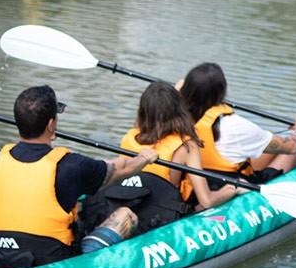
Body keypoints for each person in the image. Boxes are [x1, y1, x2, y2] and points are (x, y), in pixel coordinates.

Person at [0, 84, 157, 268]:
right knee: (125, 215)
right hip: (51, 265)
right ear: (50, 124)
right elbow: (119, 169)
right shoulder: (71, 166)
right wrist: (144, 158)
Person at [92, 82, 239, 232]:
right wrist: (231, 189)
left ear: (143, 111)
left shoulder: (131, 136)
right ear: (179, 110)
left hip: (129, 202)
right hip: (161, 215)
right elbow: (207, 201)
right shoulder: (186, 146)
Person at [178, 62, 296, 182]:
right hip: (224, 185)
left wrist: (181, 90)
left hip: (192, 182)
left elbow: (178, 90)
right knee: (291, 156)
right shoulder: (234, 126)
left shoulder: (173, 115)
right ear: (222, 93)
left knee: (266, 142)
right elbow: (292, 147)